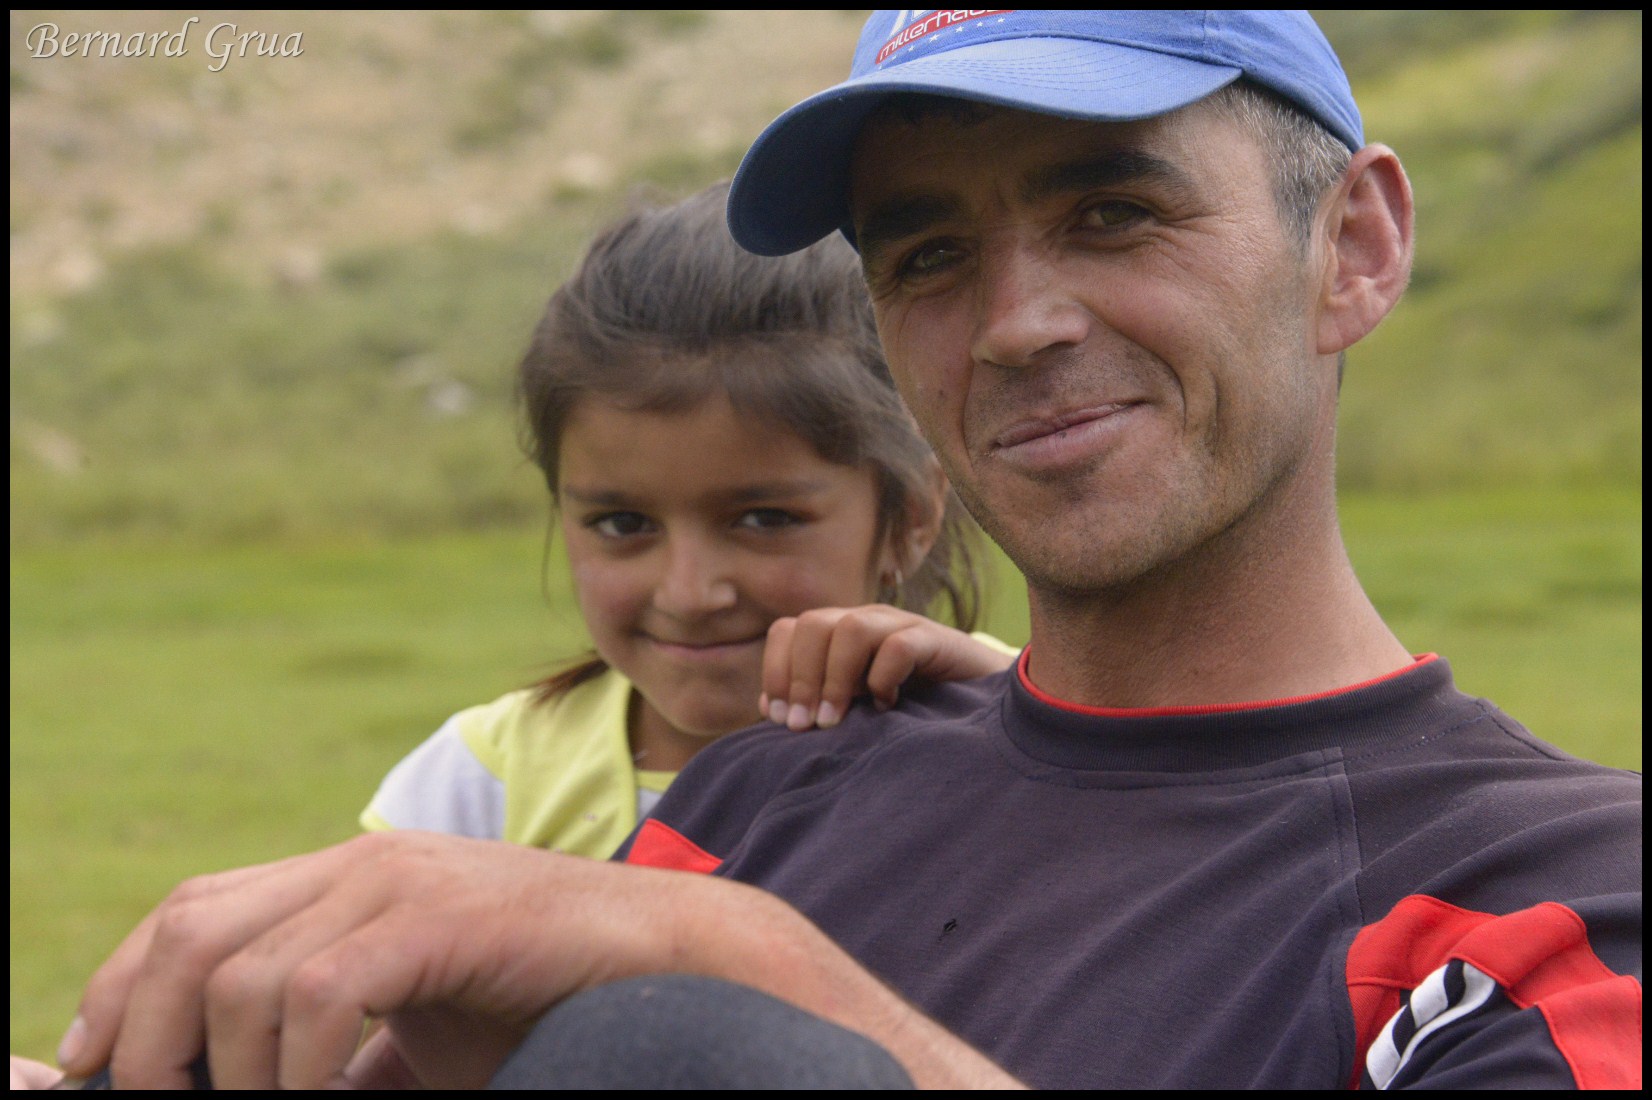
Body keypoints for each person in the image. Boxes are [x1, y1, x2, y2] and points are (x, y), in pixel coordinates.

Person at [29, 10, 1639, 1092]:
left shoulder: (1549, 898)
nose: (1016, 324)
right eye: (929, 253)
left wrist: (734, 973)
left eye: (1113, 212)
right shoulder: (781, 783)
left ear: (1351, 247)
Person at [356, 182, 1013, 859]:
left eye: (762, 519)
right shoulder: (475, 793)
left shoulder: (1016, 731)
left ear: (911, 515)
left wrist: (1000, 715)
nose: (689, 594)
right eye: (621, 524)